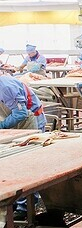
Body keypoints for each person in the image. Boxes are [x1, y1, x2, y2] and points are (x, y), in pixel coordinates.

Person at [0, 74, 47, 219]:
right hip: (14, 126)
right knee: (11, 165)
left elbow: (21, 113)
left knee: (27, 166)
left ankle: (25, 206)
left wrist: (1, 125)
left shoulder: (5, 87)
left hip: (30, 123)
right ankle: (13, 200)